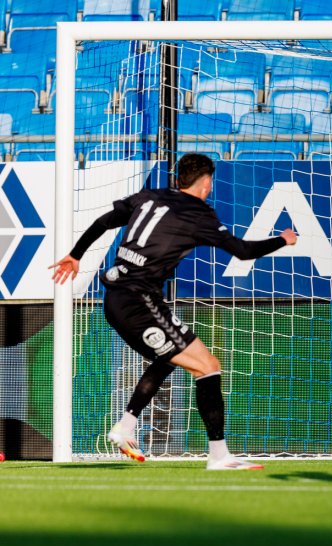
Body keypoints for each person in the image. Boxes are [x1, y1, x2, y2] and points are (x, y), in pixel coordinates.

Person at [49, 153, 297, 469]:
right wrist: (283, 239)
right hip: (139, 302)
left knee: (172, 358)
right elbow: (244, 251)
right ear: (206, 182)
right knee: (207, 367)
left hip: (117, 298)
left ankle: (126, 425)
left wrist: (75, 255)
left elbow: (103, 222)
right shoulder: (198, 214)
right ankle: (219, 456)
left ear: (179, 178)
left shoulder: (150, 196)